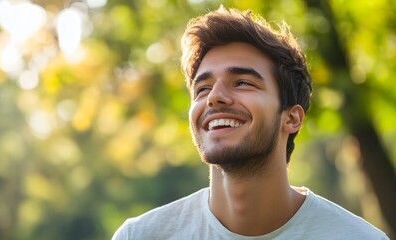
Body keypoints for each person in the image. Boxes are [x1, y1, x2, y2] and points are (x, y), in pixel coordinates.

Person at [112, 6, 389, 240]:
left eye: (243, 82)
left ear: (291, 118)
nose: (215, 98)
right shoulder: (139, 236)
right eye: (203, 89)